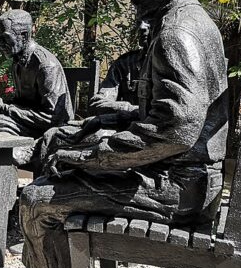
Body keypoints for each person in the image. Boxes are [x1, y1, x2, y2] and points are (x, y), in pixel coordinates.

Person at [1, 0, 228, 268]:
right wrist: (102, 128)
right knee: (57, 153)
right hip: (182, 177)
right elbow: (164, 114)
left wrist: (91, 157)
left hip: (178, 188)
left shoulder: (177, 33)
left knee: (37, 200)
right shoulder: (190, 21)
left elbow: (176, 128)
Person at [0, 9, 73, 205]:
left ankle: (4, 209)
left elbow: (54, 118)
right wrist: (4, 106)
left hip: (50, 132)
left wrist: (6, 109)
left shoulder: (45, 66)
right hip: (30, 125)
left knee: (4, 149)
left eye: (5, 39)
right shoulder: (18, 62)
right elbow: (24, 104)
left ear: (24, 35)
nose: (0, 45)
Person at [13, 21, 151, 173]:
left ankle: (46, 181)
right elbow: (97, 104)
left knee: (76, 139)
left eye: (150, 21)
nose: (142, 27)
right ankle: (41, 178)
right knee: (57, 134)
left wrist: (130, 111)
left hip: (144, 137)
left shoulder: (171, 66)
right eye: (141, 21)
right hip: (118, 125)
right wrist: (130, 110)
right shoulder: (125, 64)